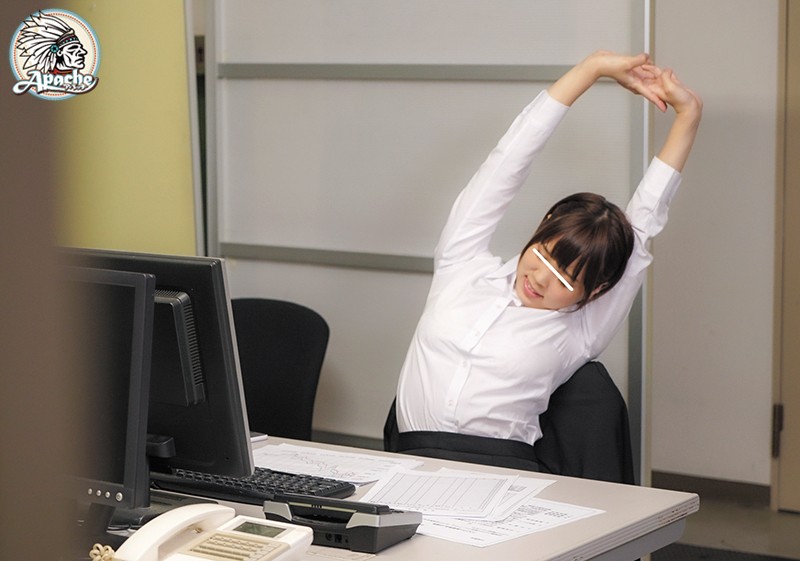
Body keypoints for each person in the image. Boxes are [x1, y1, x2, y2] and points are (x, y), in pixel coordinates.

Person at [387, 50, 702, 472]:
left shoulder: (580, 329)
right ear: (543, 226)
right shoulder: (461, 265)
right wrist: (592, 69)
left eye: (565, 279)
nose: (539, 279)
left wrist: (688, 114)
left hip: (499, 472)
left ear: (595, 291)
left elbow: (643, 225)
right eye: (543, 255)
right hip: (409, 460)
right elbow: (507, 164)